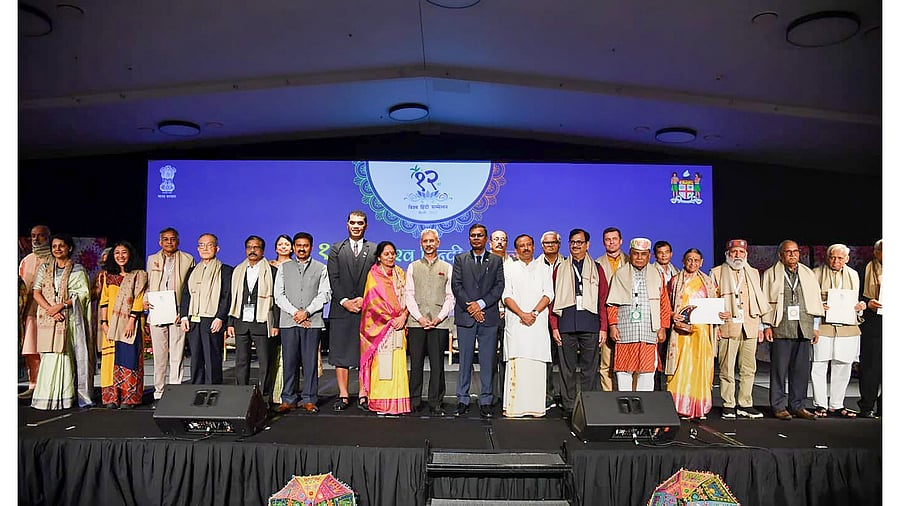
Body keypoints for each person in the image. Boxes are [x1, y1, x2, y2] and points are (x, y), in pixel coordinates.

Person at [761, 240, 824, 420]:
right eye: (788, 252)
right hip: (781, 327)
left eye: (795, 251)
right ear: (780, 255)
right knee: (779, 370)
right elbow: (764, 300)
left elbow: (815, 300)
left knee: (801, 371)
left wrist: (815, 327)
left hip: (803, 327)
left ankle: (798, 405)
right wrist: (766, 326)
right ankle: (778, 406)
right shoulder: (771, 274)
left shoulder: (808, 273)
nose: (792, 255)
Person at [549, 228, 608, 418]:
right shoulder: (560, 268)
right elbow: (552, 299)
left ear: (587, 245)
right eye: (573, 242)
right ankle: (569, 406)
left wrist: (603, 328)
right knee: (566, 369)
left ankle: (587, 404)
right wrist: (554, 326)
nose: (575, 245)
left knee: (589, 369)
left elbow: (603, 299)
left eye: (579, 242)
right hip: (566, 322)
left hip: (590, 322)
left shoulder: (597, 268)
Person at [30, 233, 93, 410]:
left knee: (65, 355)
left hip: (68, 317)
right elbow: (36, 292)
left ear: (69, 248)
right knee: (49, 355)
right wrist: (51, 310)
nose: (57, 249)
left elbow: (83, 294)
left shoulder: (78, 270)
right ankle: (44, 397)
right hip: (49, 318)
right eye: (54, 246)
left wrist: (61, 306)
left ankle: (64, 397)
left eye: (61, 246)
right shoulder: (44, 268)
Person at [709, 239, 768, 419]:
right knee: (726, 368)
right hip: (728, 326)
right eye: (734, 252)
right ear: (727, 254)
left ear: (746, 255)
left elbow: (758, 300)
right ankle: (728, 404)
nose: (737, 255)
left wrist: (761, 326)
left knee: (749, 368)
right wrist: (715, 324)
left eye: (741, 252)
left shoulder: (753, 272)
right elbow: (711, 300)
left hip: (750, 325)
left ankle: (745, 403)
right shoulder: (717, 272)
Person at [273, 232, 331, 414]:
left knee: (310, 362)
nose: (301, 248)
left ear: (311, 247)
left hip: (312, 322)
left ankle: (309, 399)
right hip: (289, 321)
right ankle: (288, 399)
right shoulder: (284, 268)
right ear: (293, 247)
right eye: (298, 245)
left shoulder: (321, 268)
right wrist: (295, 313)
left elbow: (325, 294)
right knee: (289, 361)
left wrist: (306, 312)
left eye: (305, 245)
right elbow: (278, 295)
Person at [451, 223, 505, 418]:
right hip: (466, 317)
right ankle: (462, 399)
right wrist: (472, 308)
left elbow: (499, 287)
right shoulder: (460, 259)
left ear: (486, 238)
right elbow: (456, 286)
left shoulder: (496, 260)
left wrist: (481, 304)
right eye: (473, 235)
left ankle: (486, 400)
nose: (476, 238)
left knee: (487, 361)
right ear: (469, 238)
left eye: (479, 235)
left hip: (488, 317)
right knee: (465, 360)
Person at [327, 210, 377, 411]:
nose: (356, 226)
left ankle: (364, 394)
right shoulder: (336, 249)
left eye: (360, 223)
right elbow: (334, 278)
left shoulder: (374, 249)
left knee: (365, 354)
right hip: (342, 310)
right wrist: (345, 301)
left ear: (366, 226)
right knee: (341, 354)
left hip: (367, 309)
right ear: (347, 224)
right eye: (353, 223)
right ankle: (343, 395)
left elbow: (376, 279)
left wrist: (365, 299)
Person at [607, 238, 672, 392]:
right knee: (624, 370)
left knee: (647, 371)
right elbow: (612, 304)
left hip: (648, 330)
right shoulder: (620, 274)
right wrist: (613, 326)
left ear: (649, 255)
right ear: (630, 253)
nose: (639, 257)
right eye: (636, 254)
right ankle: (625, 404)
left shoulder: (657, 274)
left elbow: (664, 303)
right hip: (625, 330)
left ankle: (644, 404)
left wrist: (663, 327)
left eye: (643, 254)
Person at [501, 234, 553, 417]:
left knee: (536, 366)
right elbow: (506, 295)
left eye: (529, 244)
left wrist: (534, 313)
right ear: (516, 250)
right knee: (519, 364)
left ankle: (536, 408)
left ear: (533, 246)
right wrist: (522, 314)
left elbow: (549, 294)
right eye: (522, 246)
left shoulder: (544, 268)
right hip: (517, 324)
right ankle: (514, 408)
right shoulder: (509, 268)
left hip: (537, 325)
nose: (526, 248)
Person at [811, 243, 865, 418]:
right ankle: (821, 404)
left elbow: (855, 300)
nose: (836, 261)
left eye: (840, 258)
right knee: (819, 364)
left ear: (847, 259)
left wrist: (859, 307)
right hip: (823, 326)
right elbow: (809, 299)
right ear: (827, 257)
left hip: (847, 328)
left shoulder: (853, 275)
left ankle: (836, 404)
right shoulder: (816, 273)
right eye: (833, 257)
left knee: (843, 365)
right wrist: (819, 305)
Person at [405, 229, 454, 416]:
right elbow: (409, 295)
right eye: (425, 241)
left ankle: (436, 402)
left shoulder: (447, 267)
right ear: (421, 243)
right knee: (416, 364)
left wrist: (439, 317)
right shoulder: (413, 266)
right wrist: (419, 317)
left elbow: (450, 297)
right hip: (416, 322)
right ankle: (414, 401)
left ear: (438, 243)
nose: (428, 244)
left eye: (432, 241)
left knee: (437, 364)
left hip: (438, 323)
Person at [359, 241, 411, 415]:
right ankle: (380, 404)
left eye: (393, 253)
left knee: (398, 365)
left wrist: (403, 316)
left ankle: (398, 405)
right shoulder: (373, 275)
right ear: (379, 257)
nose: (390, 257)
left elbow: (409, 297)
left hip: (399, 325)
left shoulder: (401, 273)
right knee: (382, 366)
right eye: (386, 254)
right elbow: (372, 303)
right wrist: (390, 319)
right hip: (380, 328)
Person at [665, 249, 717, 420]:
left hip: (702, 332)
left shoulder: (708, 282)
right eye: (689, 260)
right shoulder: (675, 281)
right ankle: (678, 406)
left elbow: (714, 307)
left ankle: (698, 407)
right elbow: (666, 305)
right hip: (681, 332)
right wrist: (672, 314)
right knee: (680, 365)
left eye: (696, 260)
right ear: (683, 261)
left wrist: (720, 314)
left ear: (701, 262)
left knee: (700, 366)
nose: (692, 263)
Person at [145, 227, 195, 403]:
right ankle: (159, 390)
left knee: (177, 353)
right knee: (159, 356)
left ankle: (175, 389)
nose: (169, 242)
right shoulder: (152, 259)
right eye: (165, 239)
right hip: (157, 310)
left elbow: (190, 288)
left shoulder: (188, 259)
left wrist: (184, 311)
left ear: (178, 241)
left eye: (172, 239)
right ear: (160, 242)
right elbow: (148, 283)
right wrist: (145, 300)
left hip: (178, 311)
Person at [227, 235, 279, 404]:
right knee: (241, 361)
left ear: (262, 251)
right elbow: (232, 298)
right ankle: (241, 396)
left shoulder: (272, 271)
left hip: (262, 322)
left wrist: (275, 324)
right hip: (241, 322)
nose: (252, 250)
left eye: (256, 247)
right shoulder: (237, 270)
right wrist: (230, 322)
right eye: (249, 247)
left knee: (265, 362)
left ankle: (264, 398)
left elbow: (277, 300)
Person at [98, 240, 148, 409]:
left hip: (131, 323)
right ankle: (111, 397)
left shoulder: (139, 275)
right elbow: (104, 301)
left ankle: (130, 397)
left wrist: (131, 322)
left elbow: (139, 299)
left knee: (130, 358)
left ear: (130, 254)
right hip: (111, 325)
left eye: (124, 252)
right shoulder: (107, 276)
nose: (120, 256)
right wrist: (104, 323)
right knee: (110, 359)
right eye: (117, 253)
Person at [180, 233, 233, 385]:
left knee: (212, 357)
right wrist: (184, 316)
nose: (205, 248)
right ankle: (196, 388)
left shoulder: (225, 270)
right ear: (197, 249)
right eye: (201, 245)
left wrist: (220, 317)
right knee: (196, 357)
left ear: (217, 248)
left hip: (212, 319)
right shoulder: (192, 270)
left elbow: (226, 296)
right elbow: (186, 294)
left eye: (209, 245)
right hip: (194, 319)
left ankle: (213, 388)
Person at [19, 224, 52, 400]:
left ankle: (48, 387)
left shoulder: (54, 259)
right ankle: (33, 385)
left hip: (49, 312)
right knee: (31, 349)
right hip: (30, 312)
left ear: (48, 237)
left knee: (48, 349)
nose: (36, 239)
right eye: (33, 235)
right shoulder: (26, 261)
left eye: (40, 235)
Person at [596, 227, 629, 391]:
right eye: (608, 240)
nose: (611, 242)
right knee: (606, 361)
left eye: (614, 239)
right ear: (603, 242)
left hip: (628, 315)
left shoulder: (631, 260)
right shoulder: (597, 264)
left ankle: (629, 395)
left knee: (629, 361)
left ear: (621, 241)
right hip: (606, 313)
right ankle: (608, 396)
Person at [537, 231, 564, 409]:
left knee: (563, 360)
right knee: (545, 359)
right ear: (542, 246)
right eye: (547, 243)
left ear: (559, 244)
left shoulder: (567, 263)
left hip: (562, 317)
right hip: (541, 317)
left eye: (553, 242)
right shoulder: (535, 265)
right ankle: (546, 394)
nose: (550, 245)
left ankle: (564, 395)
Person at [858, 239, 882, 418]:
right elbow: (855, 295)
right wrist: (868, 303)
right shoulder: (863, 270)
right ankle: (867, 406)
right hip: (872, 324)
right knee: (871, 367)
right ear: (876, 252)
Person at [652, 239, 678, 390]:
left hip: (675, 320)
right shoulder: (651, 271)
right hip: (659, 319)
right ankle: (657, 390)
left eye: (666, 252)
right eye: (660, 253)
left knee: (672, 355)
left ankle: (671, 390)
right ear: (655, 255)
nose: (664, 255)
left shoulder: (677, 273)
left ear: (671, 254)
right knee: (657, 356)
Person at [490, 229, 511, 406]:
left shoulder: (513, 264)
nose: (499, 242)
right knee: (489, 357)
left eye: (503, 239)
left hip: (509, 315)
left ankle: (506, 394)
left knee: (506, 356)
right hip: (489, 314)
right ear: (490, 243)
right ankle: (489, 395)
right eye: (496, 239)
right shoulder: (485, 263)